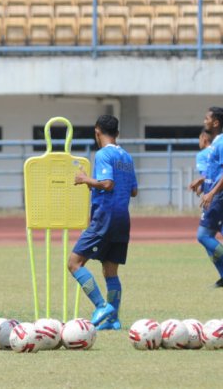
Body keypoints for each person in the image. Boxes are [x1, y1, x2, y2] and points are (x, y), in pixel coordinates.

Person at [67, 114, 138, 331]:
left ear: (97, 131)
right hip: (122, 218)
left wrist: (85, 180)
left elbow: (107, 184)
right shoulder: (126, 156)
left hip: (105, 216)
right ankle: (113, 319)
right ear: (117, 133)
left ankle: (101, 306)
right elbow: (133, 190)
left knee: (74, 263)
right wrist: (96, 185)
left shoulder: (103, 154)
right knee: (110, 272)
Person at [188, 107, 223, 288]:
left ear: (216, 122)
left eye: (206, 118)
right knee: (211, 239)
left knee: (204, 235)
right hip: (215, 193)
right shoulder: (216, 144)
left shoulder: (222, 142)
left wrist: (211, 192)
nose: (204, 121)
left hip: (218, 196)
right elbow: (216, 170)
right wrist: (201, 180)